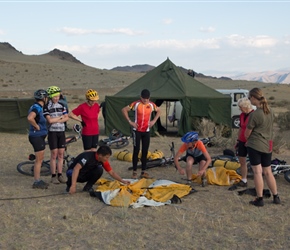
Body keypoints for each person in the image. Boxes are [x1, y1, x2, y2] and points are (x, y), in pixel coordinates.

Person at [245, 87, 281, 207]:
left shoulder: (254, 115)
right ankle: (276, 196)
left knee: (257, 172)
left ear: (254, 98)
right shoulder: (270, 111)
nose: (249, 100)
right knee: (268, 172)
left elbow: (247, 133)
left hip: (255, 145)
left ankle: (259, 198)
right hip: (267, 145)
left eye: (250, 98)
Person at [121, 89, 161, 179]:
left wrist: (154, 121)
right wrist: (130, 122)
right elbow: (124, 110)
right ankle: (134, 171)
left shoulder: (151, 105)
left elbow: (159, 110)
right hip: (137, 130)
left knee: (145, 151)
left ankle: (143, 171)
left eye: (147, 99)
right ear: (140, 97)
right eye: (143, 99)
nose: (145, 101)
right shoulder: (136, 104)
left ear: (149, 98)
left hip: (146, 131)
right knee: (136, 150)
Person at [66, 145, 130, 194]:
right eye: (106, 157)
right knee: (71, 172)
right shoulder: (87, 157)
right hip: (75, 173)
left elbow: (112, 172)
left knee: (99, 169)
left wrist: (122, 181)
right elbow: (76, 169)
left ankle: (88, 187)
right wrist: (73, 185)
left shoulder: (103, 161)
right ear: (100, 155)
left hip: (85, 175)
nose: (107, 159)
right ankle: (69, 185)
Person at [43, 86, 69, 184]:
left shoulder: (62, 106)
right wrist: (60, 118)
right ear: (50, 97)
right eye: (54, 97)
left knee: (61, 154)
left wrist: (58, 119)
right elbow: (49, 121)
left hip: (61, 132)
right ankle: (53, 176)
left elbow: (67, 117)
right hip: (52, 132)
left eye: (58, 96)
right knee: (54, 154)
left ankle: (60, 174)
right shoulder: (46, 107)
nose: (56, 98)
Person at [27, 89, 49, 189]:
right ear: (43, 98)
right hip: (37, 136)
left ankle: (38, 180)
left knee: (40, 159)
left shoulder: (38, 107)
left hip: (38, 136)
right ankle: (37, 181)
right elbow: (30, 118)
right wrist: (36, 126)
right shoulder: (37, 107)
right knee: (39, 160)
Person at [234, 97, 255, 187]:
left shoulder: (253, 115)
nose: (239, 109)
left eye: (240, 107)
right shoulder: (242, 115)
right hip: (242, 141)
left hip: (251, 142)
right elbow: (241, 128)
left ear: (245, 106)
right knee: (242, 161)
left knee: (254, 162)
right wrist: (238, 140)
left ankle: (257, 182)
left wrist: (249, 140)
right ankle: (244, 179)